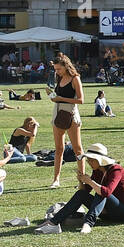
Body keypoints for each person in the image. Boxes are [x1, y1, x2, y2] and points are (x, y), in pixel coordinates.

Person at [35, 144, 124, 235]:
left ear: (100, 160)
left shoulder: (116, 170)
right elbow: (84, 192)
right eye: (88, 160)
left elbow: (107, 192)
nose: (89, 162)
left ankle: (88, 223)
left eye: (92, 160)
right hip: (107, 214)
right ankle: (53, 222)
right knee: (81, 194)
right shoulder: (97, 171)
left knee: (100, 192)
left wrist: (90, 182)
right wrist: (81, 181)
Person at [48, 55, 85, 189]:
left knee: (78, 149)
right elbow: (58, 97)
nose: (57, 71)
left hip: (70, 113)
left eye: (59, 69)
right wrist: (53, 97)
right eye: (55, 69)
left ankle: (82, 179)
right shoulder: (59, 78)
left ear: (66, 66)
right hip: (57, 112)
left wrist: (61, 98)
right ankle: (56, 179)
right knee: (58, 149)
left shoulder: (75, 78)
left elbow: (81, 100)